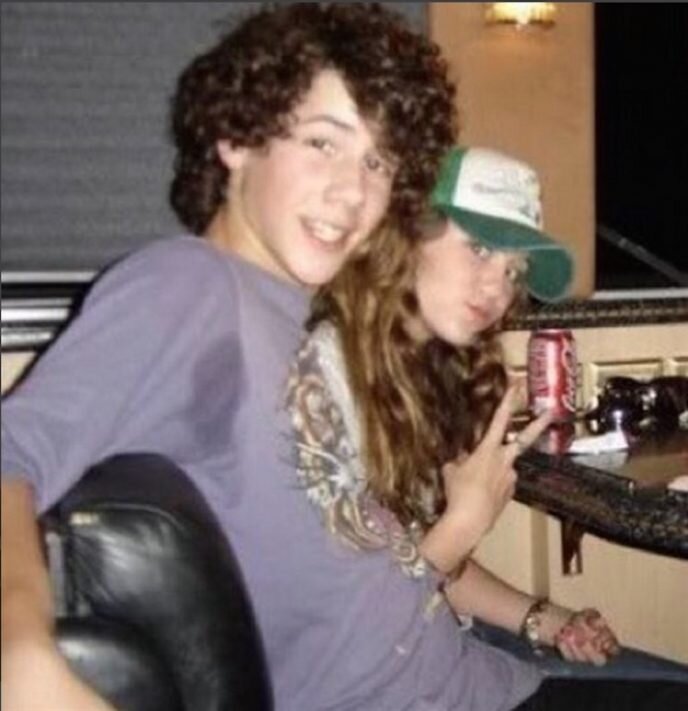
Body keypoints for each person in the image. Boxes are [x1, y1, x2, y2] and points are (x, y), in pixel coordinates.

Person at [0, 4, 457, 710]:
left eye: (378, 161)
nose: (354, 192)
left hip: (465, 669)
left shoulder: (290, 309)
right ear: (237, 138)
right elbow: (11, 451)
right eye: (323, 143)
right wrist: (21, 656)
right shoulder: (187, 285)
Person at [285, 145, 688, 709]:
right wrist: (462, 523)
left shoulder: (419, 371)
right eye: (479, 249)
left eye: (513, 271)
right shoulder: (318, 382)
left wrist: (545, 619)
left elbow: (416, 560)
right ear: (404, 234)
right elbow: (340, 639)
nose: (498, 289)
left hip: (464, 663)